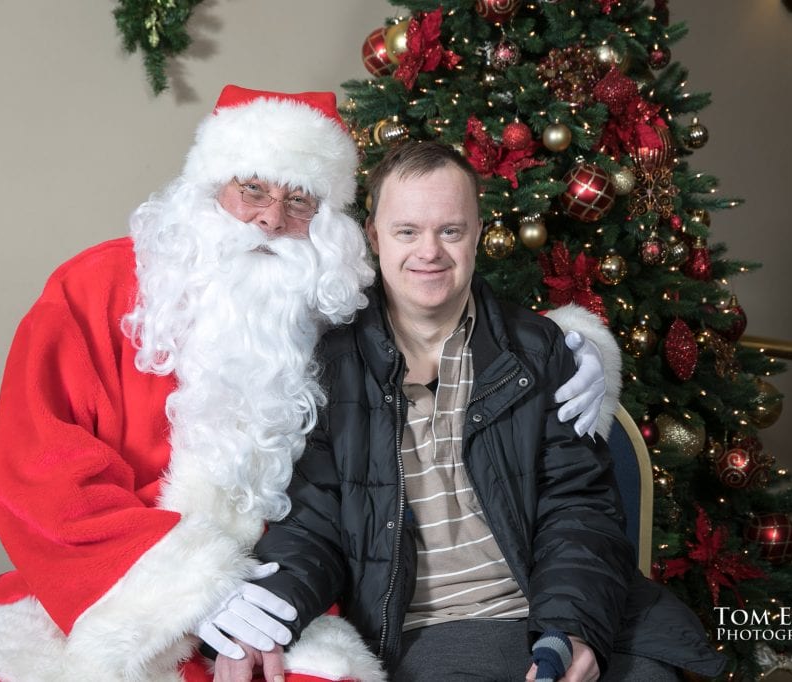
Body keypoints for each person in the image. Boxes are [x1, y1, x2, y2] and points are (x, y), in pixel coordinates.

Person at [0, 89, 610, 682]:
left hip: (282, 588)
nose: (269, 219)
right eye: (252, 191)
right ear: (210, 190)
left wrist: (581, 348)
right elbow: (36, 471)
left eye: (297, 202)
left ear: (332, 226)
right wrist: (187, 586)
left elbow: (444, 297)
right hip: (106, 589)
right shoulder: (89, 290)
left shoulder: (329, 293)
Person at [240, 141, 728, 681]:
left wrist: (570, 629)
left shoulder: (540, 349)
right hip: (428, 628)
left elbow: (580, 509)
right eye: (407, 232)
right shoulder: (332, 364)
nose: (430, 252)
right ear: (374, 237)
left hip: (557, 608)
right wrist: (262, 617)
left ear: (476, 234)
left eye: (450, 230)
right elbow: (312, 523)